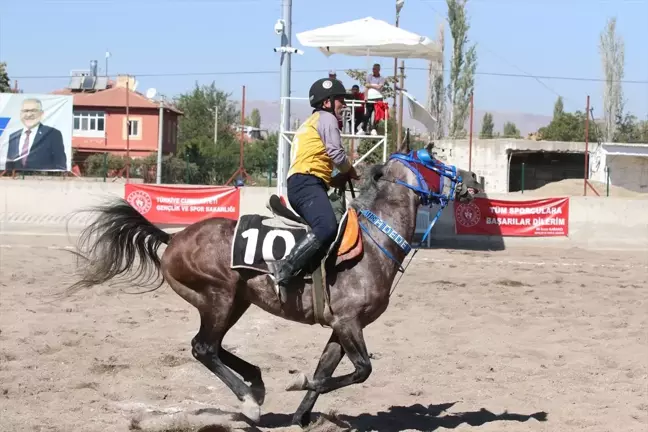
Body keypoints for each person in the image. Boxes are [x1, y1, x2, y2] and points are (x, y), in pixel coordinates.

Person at [271, 78, 360, 297]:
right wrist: (351, 171)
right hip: (306, 184)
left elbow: (317, 162)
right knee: (327, 227)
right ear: (327, 102)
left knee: (333, 228)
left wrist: (334, 179)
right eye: (340, 100)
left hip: (307, 182)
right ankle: (285, 269)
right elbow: (337, 155)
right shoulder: (327, 118)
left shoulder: (314, 121)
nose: (344, 105)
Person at [5, 98, 67, 172]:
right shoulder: (13, 136)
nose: (29, 114)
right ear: (20, 114)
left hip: (41, 180)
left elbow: (60, 164)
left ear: (41, 114)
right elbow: (9, 164)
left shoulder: (53, 134)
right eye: (25, 111)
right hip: (17, 181)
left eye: (33, 111)